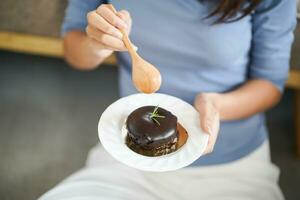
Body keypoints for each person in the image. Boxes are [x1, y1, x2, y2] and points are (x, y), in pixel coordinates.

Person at [39, 0, 296, 199]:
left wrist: (215, 106)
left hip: (231, 160)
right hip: (130, 154)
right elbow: (74, 51)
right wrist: (97, 44)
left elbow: (269, 84)